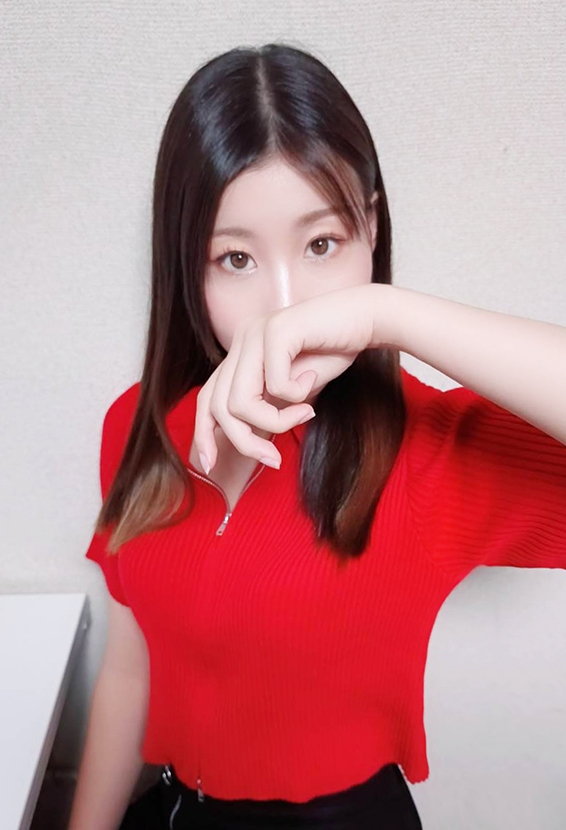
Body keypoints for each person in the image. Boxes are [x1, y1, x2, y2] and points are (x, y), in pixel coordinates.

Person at [68, 42, 566, 830]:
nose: (287, 308)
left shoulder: (427, 451)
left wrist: (387, 313)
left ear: (371, 228)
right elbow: (133, 671)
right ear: (186, 266)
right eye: (235, 257)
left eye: (323, 244)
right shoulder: (135, 425)